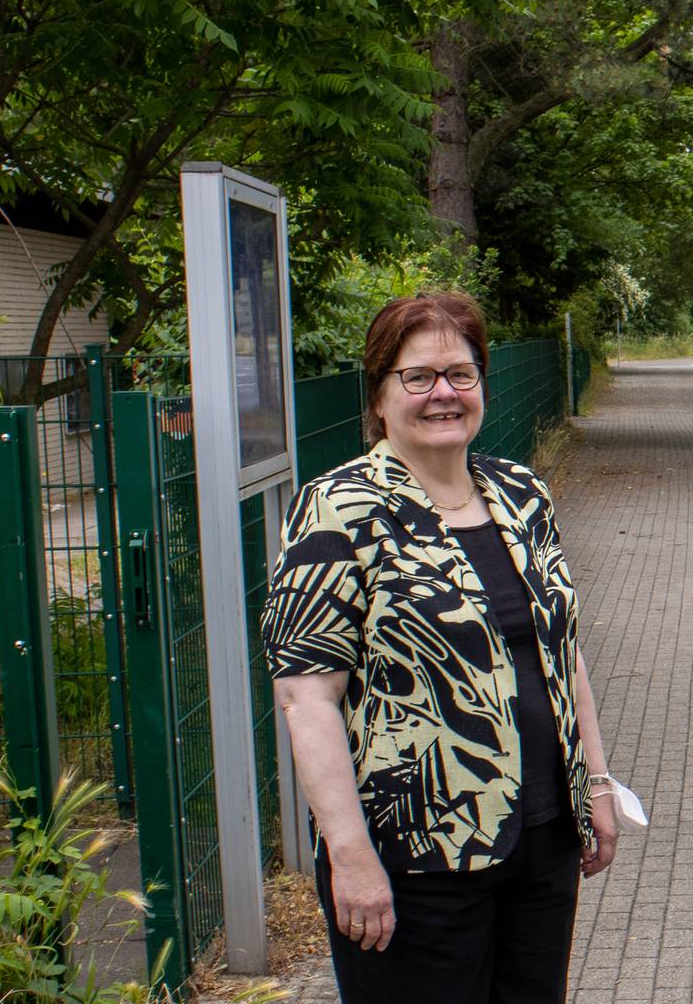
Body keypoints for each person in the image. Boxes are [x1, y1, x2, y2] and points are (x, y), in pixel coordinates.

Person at [264, 291, 622, 1003]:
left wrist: (597, 784)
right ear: (379, 394)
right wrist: (350, 855)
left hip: (541, 838)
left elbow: (562, 652)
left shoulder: (522, 495)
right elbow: (307, 697)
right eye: (418, 376)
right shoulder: (337, 510)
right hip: (413, 861)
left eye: (461, 374)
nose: (442, 394)